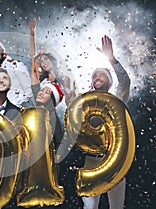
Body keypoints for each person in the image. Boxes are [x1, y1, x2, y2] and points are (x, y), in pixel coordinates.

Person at [57, 35, 131, 209]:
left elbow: (125, 81)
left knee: (116, 206)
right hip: (91, 162)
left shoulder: (117, 100)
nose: (96, 77)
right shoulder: (85, 105)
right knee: (89, 207)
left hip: (114, 161)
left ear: (110, 83)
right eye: (94, 76)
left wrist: (111, 58)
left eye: (102, 75)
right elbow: (73, 127)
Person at [29, 17, 76, 106]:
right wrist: (32, 33)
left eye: (46, 59)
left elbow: (68, 100)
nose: (43, 63)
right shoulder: (42, 79)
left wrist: (71, 97)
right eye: (41, 61)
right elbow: (33, 56)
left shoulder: (64, 79)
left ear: (53, 60)